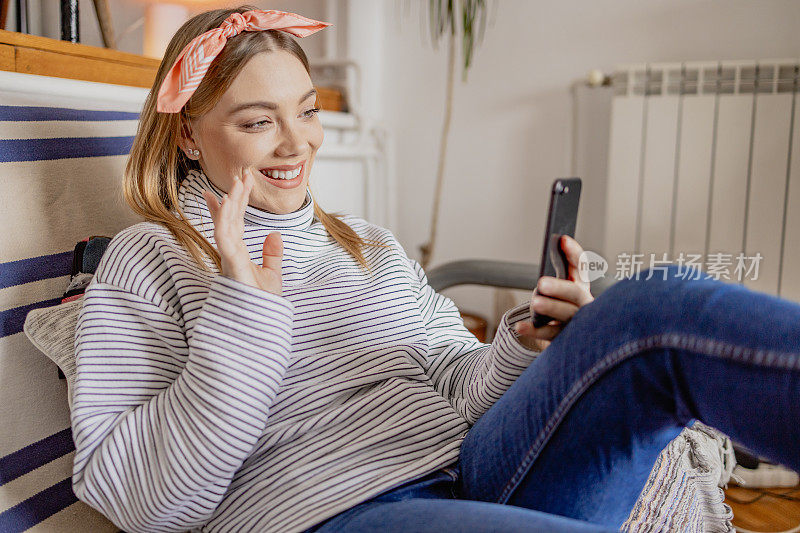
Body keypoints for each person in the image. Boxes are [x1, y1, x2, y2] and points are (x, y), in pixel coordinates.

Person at [70, 5, 800, 533]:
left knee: (646, 308)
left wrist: (525, 343)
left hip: (476, 467)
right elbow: (145, 504)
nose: (298, 143)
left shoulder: (368, 243)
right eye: (258, 121)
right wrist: (243, 316)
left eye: (308, 108)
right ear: (190, 138)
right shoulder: (150, 260)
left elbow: (456, 380)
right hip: (328, 507)